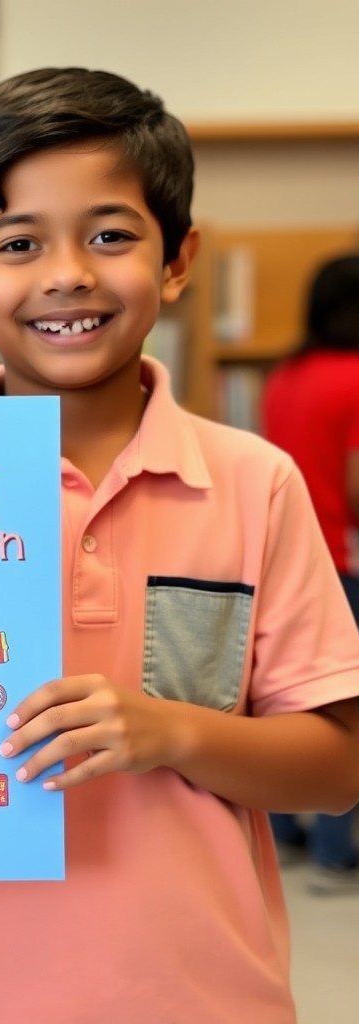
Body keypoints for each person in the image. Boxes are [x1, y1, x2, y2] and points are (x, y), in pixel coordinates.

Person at [0, 67, 359, 1024]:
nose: (68, 274)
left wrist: (167, 731)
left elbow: (339, 770)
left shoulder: (257, 483)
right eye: (17, 243)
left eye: (110, 234)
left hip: (217, 1003)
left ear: (177, 261)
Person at [261, 253, 359, 894]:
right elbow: (356, 485)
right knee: (340, 710)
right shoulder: (355, 378)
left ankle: (284, 835)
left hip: (286, 553)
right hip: (342, 559)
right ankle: (336, 852)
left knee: (278, 702)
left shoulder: (284, 377)